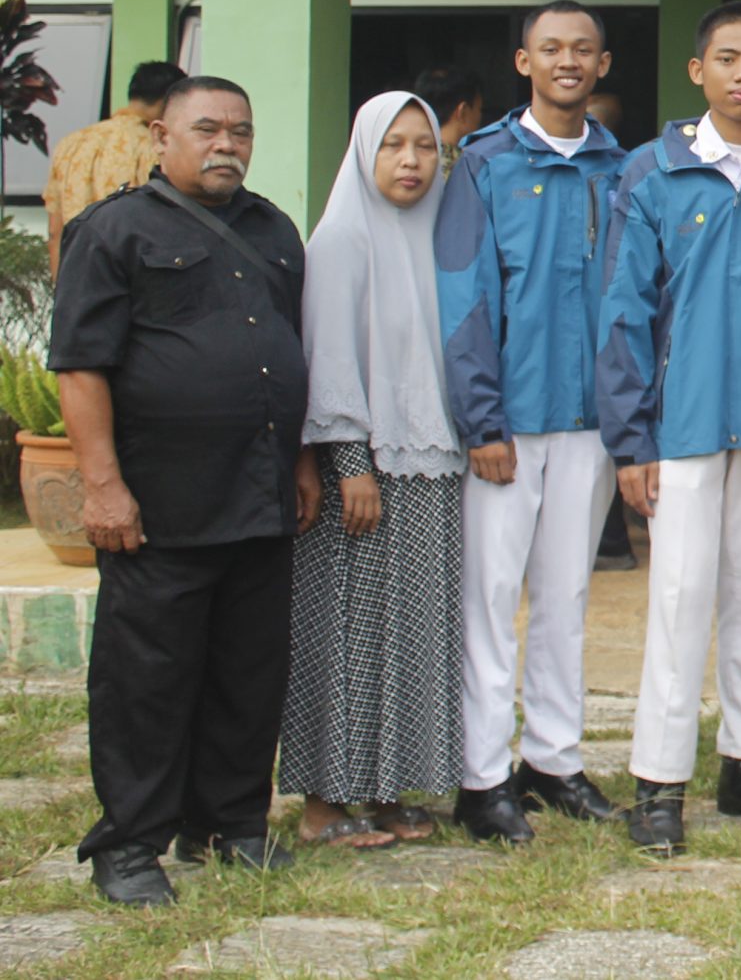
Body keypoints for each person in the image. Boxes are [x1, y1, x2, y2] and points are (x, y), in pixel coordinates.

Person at [49, 78, 308, 905]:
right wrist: (103, 486)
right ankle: (127, 844)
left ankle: (227, 823)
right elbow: (81, 365)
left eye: (241, 129)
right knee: (145, 682)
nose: (227, 143)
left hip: (260, 493)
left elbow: (290, 346)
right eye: (208, 129)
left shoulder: (273, 228)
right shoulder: (115, 229)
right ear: (162, 134)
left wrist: (301, 464)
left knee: (247, 672)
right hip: (159, 503)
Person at [597, 3, 741, 854]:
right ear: (697, 71)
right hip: (682, 427)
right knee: (677, 599)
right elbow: (622, 311)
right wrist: (632, 439)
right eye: (727, 58)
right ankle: (658, 782)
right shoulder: (650, 174)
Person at [434, 2, 626, 844]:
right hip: (506, 425)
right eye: (552, 47)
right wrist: (483, 421)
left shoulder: (624, 168)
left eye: (582, 48)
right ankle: (482, 778)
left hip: (589, 423)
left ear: (603, 62)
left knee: (566, 598)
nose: (568, 61)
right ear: (524, 61)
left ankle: (553, 758)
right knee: (490, 600)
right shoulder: (482, 166)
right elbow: (463, 298)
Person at [277, 92, 464, 851]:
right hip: (365, 474)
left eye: (425, 145)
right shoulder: (342, 240)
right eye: (393, 146)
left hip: (433, 470)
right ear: (363, 153)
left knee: (414, 635)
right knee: (348, 631)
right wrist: (349, 461)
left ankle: (387, 789)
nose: (413, 161)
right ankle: (325, 799)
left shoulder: (441, 236)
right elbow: (326, 359)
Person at [44, 60, 185, 278]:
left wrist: (60, 290)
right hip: (128, 279)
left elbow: (55, 231)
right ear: (171, 100)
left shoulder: (70, 144)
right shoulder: (154, 146)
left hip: (76, 277)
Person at [413, 66, 487, 177]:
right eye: (479, 109)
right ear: (463, 112)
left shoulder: (410, 159)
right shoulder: (470, 168)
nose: (480, 116)